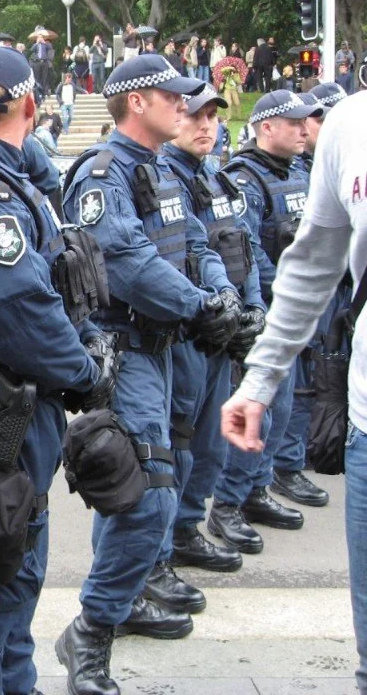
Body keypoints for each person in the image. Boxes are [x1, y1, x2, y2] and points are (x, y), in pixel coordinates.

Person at [0, 46, 115, 695]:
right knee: (2, 566)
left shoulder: (2, 178)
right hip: (9, 412)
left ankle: (16, 682)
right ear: (31, 105)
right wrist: (86, 374)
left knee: (17, 568)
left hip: (16, 403)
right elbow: (21, 312)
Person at [60, 54, 231, 694]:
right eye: (173, 96)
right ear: (137, 102)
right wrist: (202, 308)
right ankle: (91, 631)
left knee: (142, 485)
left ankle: (121, 601)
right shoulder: (102, 174)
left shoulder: (159, 170)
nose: (186, 106)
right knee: (146, 496)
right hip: (128, 351)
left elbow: (199, 244)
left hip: (164, 350)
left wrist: (221, 296)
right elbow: (126, 263)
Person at [220, 89, 367, 695]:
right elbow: (306, 261)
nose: (305, 129)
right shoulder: (350, 127)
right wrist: (262, 373)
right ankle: (238, 499)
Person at [208, 91, 326, 554]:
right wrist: (290, 291)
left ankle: (256, 489)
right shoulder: (244, 179)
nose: (303, 129)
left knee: (282, 407)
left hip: (291, 309)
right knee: (258, 407)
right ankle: (227, 504)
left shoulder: (297, 173)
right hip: (267, 309)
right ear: (266, 127)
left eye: (306, 122)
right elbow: (248, 251)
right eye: (294, 122)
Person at [157, 84, 258, 577]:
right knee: (177, 445)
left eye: (213, 117)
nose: (205, 126)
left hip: (224, 329)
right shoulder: (161, 178)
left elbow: (242, 248)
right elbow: (170, 261)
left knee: (211, 444)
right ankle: (162, 546)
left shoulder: (216, 178)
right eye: (196, 115)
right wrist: (212, 312)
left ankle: (187, 529)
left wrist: (251, 308)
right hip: (189, 334)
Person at [272, 88, 348, 505]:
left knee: (324, 371)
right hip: (294, 293)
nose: (307, 130)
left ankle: (311, 447)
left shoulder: (314, 169)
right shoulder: (279, 173)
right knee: (299, 381)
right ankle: (288, 463)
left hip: (334, 287)